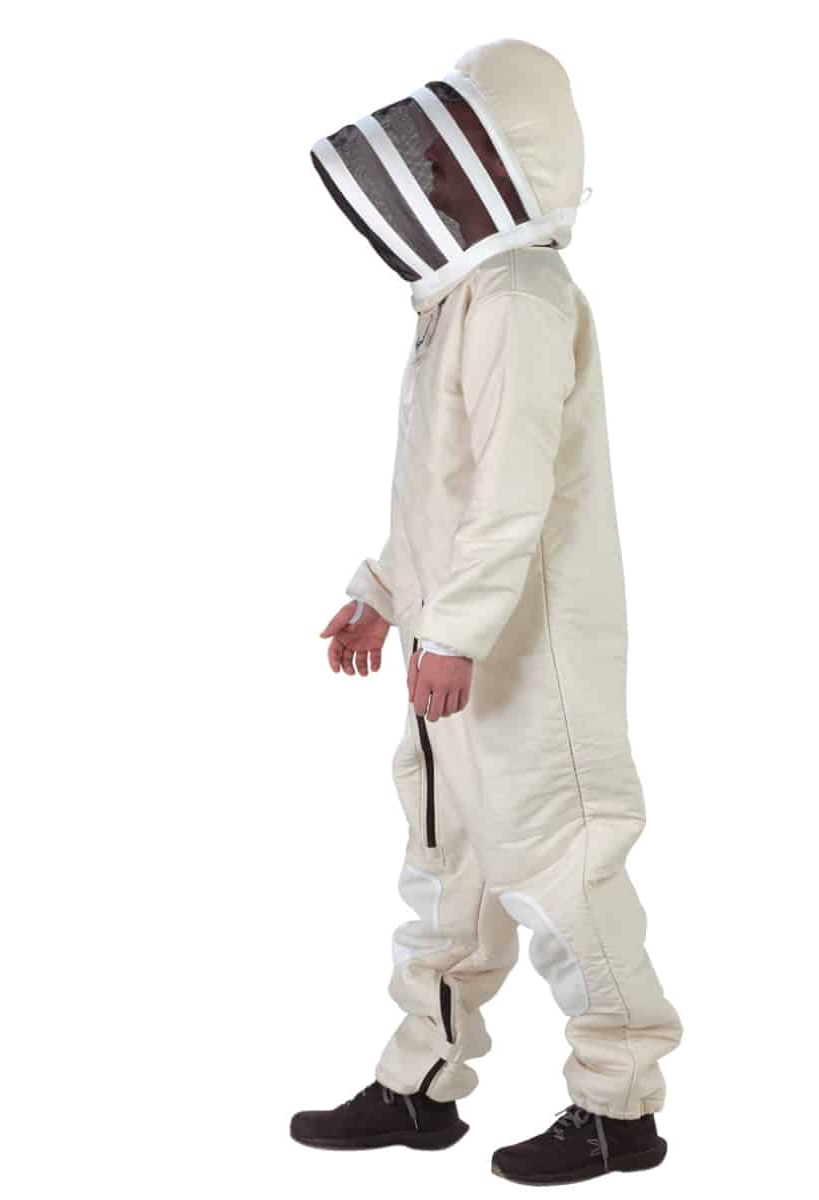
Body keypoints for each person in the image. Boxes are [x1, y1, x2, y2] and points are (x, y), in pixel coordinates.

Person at [290, 38, 683, 1186]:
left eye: (457, 148)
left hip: (523, 657)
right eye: (434, 149)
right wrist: (382, 593)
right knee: (447, 872)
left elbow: (513, 494)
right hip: (451, 645)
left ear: (515, 156)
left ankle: (618, 1107)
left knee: (561, 873)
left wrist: (455, 628)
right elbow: (445, 488)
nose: (432, 170)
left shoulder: (519, 295)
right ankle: (421, 1083)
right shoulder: (461, 297)